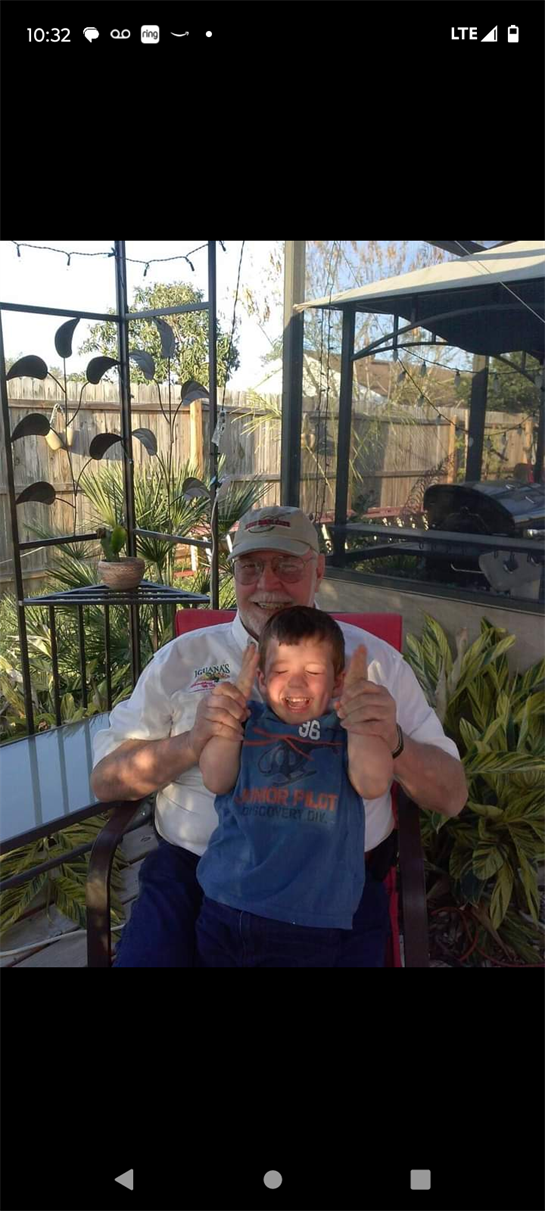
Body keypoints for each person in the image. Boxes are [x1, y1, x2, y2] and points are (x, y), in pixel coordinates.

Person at [91, 505, 467, 967]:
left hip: (332, 886)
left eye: (287, 565)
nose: (268, 584)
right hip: (193, 875)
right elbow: (106, 780)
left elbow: (452, 794)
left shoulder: (374, 664)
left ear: (319, 569)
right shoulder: (182, 659)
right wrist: (192, 742)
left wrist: (394, 743)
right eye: (251, 567)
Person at [195, 607, 393, 967]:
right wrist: (230, 718)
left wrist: (360, 715)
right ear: (259, 678)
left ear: (337, 681)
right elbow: (215, 778)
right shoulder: (249, 724)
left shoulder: (345, 733)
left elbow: (373, 782)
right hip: (225, 904)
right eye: (281, 671)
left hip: (306, 920)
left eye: (313, 672)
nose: (296, 684)